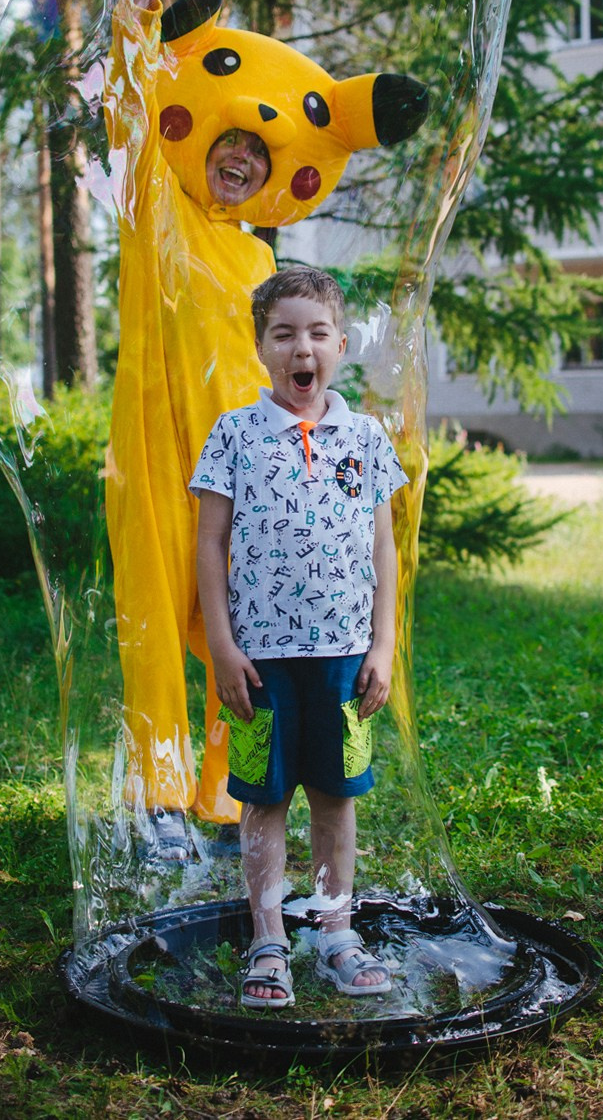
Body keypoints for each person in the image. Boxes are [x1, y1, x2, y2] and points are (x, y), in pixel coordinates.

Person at [104, 0, 428, 862]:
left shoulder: (258, 259)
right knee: (164, 620)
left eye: (255, 153)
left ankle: (222, 798)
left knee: (238, 627)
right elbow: (130, 122)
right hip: (166, 452)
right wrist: (140, 16)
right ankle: (160, 797)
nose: (239, 160)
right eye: (227, 144)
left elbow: (286, 355)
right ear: (200, 143)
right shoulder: (157, 214)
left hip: (251, 468)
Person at [191, 267, 408, 1008]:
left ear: (340, 346)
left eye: (317, 333)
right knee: (266, 799)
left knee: (335, 796)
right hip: (260, 662)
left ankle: (335, 928)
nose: (301, 347)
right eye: (284, 334)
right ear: (261, 348)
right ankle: (268, 937)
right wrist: (222, 646)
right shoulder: (235, 435)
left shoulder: (366, 438)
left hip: (344, 658)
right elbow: (210, 544)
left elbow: (385, 552)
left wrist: (382, 647)